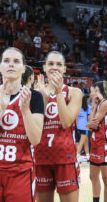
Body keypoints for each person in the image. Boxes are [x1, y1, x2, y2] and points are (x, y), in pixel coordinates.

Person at [0, 47, 44, 201]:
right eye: (6, 61)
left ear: (23, 68)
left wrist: (25, 111)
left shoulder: (35, 97)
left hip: (20, 172)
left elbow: (36, 140)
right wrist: (1, 108)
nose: (11, 64)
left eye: (16, 61)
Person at [32, 51, 84, 202]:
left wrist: (58, 92)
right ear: (44, 67)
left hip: (65, 158)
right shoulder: (35, 93)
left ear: (65, 69)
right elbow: (35, 127)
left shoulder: (74, 92)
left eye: (59, 64)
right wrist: (43, 98)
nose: (55, 67)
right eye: (51, 64)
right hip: (40, 157)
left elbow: (66, 122)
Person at [87, 81, 107, 202]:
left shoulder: (106, 103)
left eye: (92, 90)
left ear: (97, 90)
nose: (90, 92)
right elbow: (90, 121)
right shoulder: (97, 104)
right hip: (95, 144)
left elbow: (92, 124)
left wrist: (88, 124)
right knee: (93, 177)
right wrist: (93, 105)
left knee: (106, 179)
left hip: (105, 145)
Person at [75, 95, 90, 160]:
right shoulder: (88, 107)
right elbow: (89, 118)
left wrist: (77, 124)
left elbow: (76, 117)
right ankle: (77, 155)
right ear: (86, 100)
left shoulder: (78, 107)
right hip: (85, 126)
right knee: (81, 142)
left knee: (85, 142)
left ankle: (87, 155)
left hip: (78, 126)